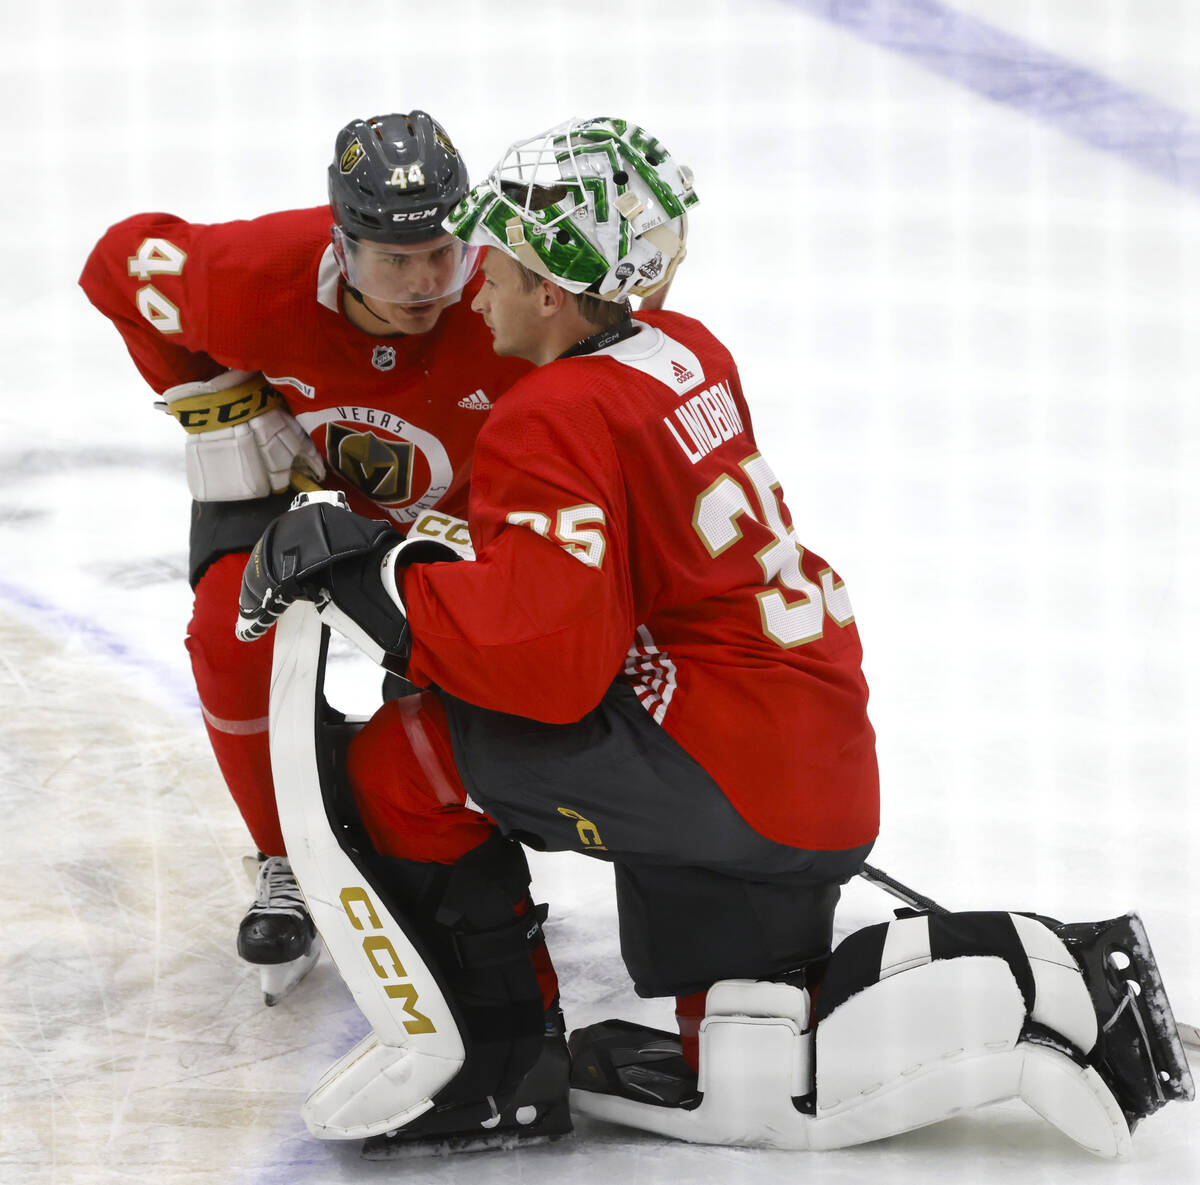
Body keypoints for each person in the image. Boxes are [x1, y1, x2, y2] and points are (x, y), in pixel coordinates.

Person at [235, 118, 1192, 1158]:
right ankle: (1021, 976)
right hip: (799, 749)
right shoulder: (685, 351)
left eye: (496, 268)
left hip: (724, 766)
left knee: (402, 758)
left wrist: (378, 581)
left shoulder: (548, 413)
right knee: (749, 1054)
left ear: (552, 291)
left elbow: (548, 669)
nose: (477, 291)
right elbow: (617, 560)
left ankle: (490, 1066)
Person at [78, 111, 533, 1004]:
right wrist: (219, 405)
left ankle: (442, 837)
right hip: (302, 486)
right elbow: (114, 266)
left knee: (477, 663)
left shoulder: (520, 285)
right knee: (225, 633)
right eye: (390, 260)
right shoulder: (253, 277)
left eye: (441, 252)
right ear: (339, 243)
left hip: (471, 504)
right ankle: (284, 857)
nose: (422, 284)